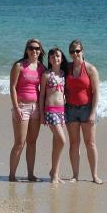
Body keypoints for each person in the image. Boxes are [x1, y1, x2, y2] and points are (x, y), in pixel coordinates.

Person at [65, 39, 103, 184]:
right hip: (71, 109)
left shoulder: (90, 69)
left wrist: (93, 112)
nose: (75, 54)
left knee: (90, 143)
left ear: (82, 51)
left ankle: (95, 175)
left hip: (87, 109)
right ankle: (75, 175)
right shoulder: (67, 68)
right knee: (74, 143)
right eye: (72, 51)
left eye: (78, 51)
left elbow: (96, 93)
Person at [9, 39, 46, 182]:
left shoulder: (41, 68)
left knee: (32, 142)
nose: (34, 51)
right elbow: (12, 87)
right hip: (21, 107)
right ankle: (12, 175)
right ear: (26, 50)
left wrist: (43, 111)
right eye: (31, 48)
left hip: (35, 108)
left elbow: (43, 90)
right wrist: (16, 107)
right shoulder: (19, 66)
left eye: (37, 48)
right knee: (20, 142)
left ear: (40, 51)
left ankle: (30, 174)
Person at [39, 47, 68, 183]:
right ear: (49, 60)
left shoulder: (63, 74)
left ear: (61, 58)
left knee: (57, 143)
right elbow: (42, 95)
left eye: (57, 56)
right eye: (52, 56)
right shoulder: (46, 75)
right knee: (62, 140)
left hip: (61, 111)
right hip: (50, 110)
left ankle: (54, 173)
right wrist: (41, 114)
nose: (55, 58)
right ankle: (53, 172)